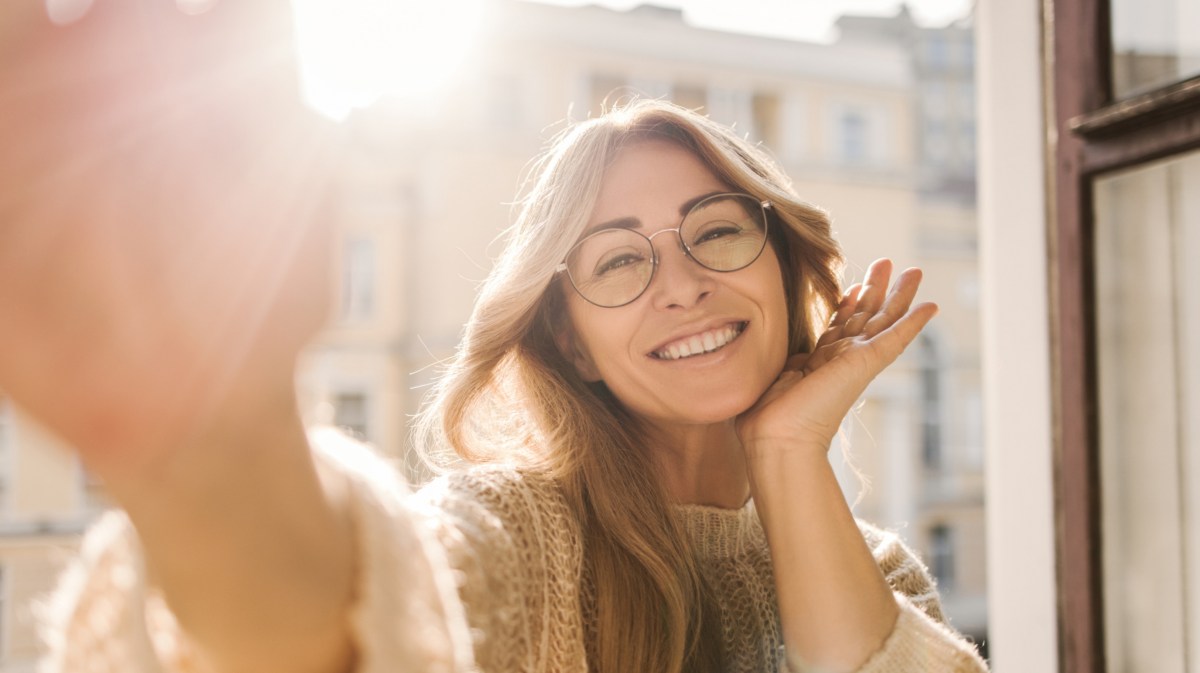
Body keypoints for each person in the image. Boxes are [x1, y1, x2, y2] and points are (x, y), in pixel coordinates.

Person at [2, 2, 988, 672]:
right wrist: (215, 444)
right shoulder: (516, 536)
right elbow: (361, 615)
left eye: (718, 232)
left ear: (782, 258)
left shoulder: (878, 569)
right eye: (616, 262)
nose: (682, 285)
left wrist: (786, 448)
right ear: (565, 336)